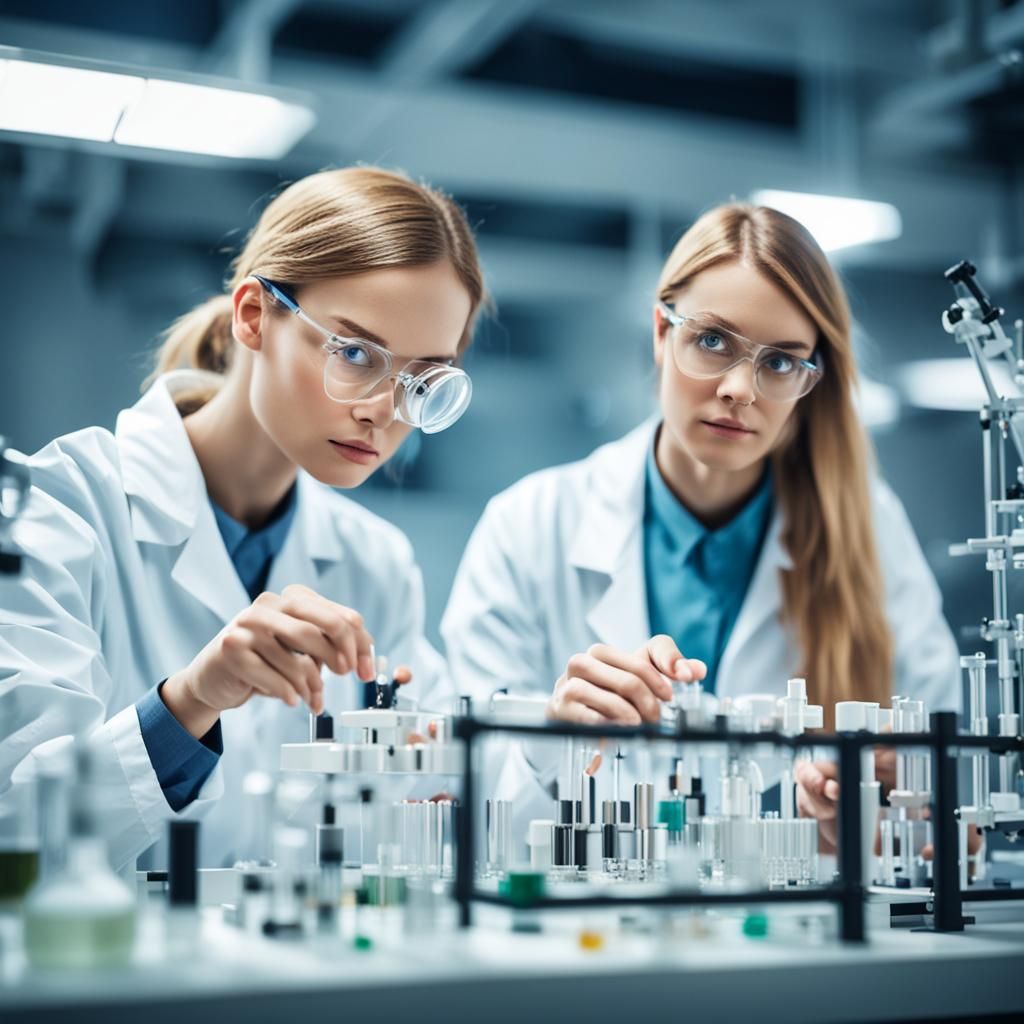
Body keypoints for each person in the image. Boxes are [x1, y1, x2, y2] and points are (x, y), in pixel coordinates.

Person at [0, 166, 485, 869]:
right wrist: (192, 701)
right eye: (354, 353)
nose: (383, 410)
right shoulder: (62, 507)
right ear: (254, 315)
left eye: (422, 380)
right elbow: (17, 823)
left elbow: (436, 798)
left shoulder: (374, 562)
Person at [441, 202, 960, 849]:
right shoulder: (529, 525)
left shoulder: (870, 530)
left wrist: (878, 818)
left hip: (796, 937)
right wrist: (555, 739)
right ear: (663, 333)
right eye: (712, 340)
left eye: (779, 362)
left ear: (812, 380)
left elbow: (950, 825)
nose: (740, 388)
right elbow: (459, 801)